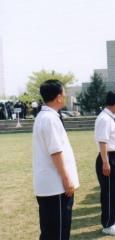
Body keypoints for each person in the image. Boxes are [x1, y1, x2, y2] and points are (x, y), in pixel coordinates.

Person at [32, 79, 79, 240]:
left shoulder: (44, 116)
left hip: (50, 185)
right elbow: (56, 152)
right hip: (56, 186)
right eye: (64, 94)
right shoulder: (50, 119)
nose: (65, 97)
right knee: (58, 232)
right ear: (58, 97)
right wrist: (67, 180)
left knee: (50, 232)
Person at [94, 90, 115, 236]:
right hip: (108, 158)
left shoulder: (110, 117)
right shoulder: (104, 119)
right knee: (109, 193)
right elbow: (103, 142)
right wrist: (106, 162)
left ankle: (112, 219)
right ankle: (107, 224)